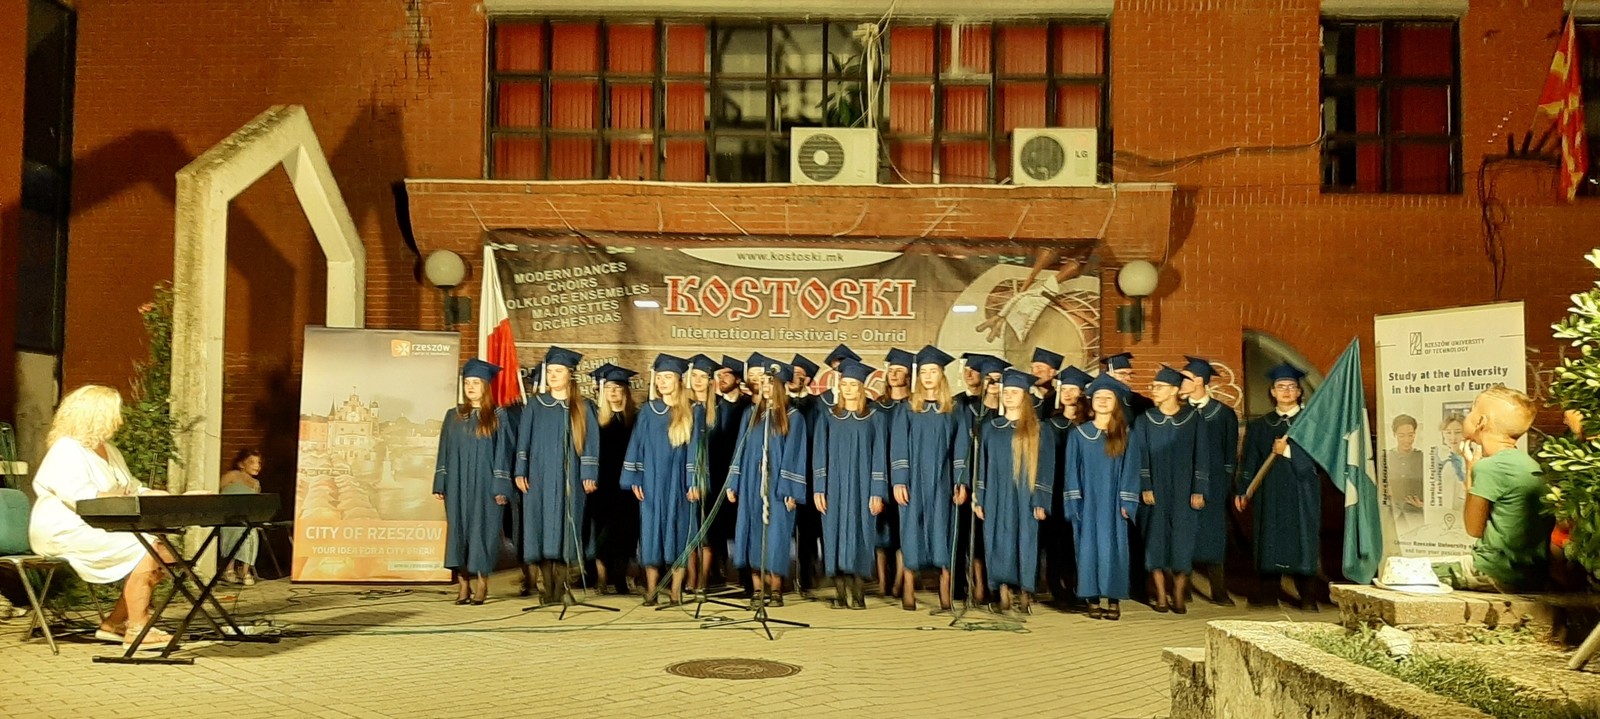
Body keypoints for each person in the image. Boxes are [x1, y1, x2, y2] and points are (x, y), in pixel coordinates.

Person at [30, 385, 175, 647]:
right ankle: (137, 628)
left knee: (165, 552)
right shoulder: (67, 448)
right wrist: (113, 497)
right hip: (65, 528)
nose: (119, 421)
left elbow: (131, 487)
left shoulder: (110, 451)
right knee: (148, 547)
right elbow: (77, 495)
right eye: (114, 414)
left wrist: (159, 495)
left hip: (98, 525)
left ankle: (115, 623)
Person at [1427, 386, 1553, 592]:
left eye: (1471, 411)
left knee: (1401, 569)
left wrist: (1471, 471)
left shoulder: (1490, 467)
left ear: (1481, 422)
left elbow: (1473, 528)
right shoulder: (1527, 463)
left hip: (1493, 571)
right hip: (1530, 574)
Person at [514, 346, 601, 606]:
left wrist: (588, 472)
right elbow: (523, 440)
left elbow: (591, 443)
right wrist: (520, 470)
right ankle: (547, 585)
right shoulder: (536, 405)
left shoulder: (582, 407)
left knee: (566, 528)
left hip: (570, 477)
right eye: (550, 371)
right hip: (538, 475)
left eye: (558, 371)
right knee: (540, 528)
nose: (552, 375)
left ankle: (562, 586)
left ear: (569, 374)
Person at [1235, 363, 1322, 611]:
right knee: (1269, 540)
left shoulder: (1309, 425)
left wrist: (1289, 452)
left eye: (1291, 387)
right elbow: (1250, 460)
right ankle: (1268, 595)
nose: (1286, 391)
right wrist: (1243, 489)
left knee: (1302, 540)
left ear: (1299, 392)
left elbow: (1319, 461)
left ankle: (1307, 598)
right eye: (1280, 387)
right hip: (1270, 492)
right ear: (1272, 392)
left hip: (1301, 491)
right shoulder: (1262, 425)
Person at [890, 346, 971, 611]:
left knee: (943, 531)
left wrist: (961, 481)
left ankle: (945, 591)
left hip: (943, 480)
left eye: (932, 371)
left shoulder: (955, 409)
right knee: (911, 530)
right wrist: (899, 480)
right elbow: (899, 446)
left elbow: (961, 447)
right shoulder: (907, 409)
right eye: (923, 371)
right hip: (913, 479)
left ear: (941, 375)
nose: (927, 376)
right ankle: (908, 589)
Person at [622, 354, 706, 607]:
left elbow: (697, 449)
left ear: (679, 380)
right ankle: (651, 590)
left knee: (678, 533)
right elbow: (636, 444)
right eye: (659, 378)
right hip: (651, 481)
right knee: (650, 534)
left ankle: (676, 591)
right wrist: (635, 477)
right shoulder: (648, 411)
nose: (662, 382)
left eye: (667, 377)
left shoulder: (693, 410)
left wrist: (694, 482)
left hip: (679, 483)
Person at [726, 360, 809, 607]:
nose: (765, 387)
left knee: (775, 536)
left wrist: (791, 490)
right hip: (751, 484)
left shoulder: (794, 418)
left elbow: (796, 455)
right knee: (752, 533)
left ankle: (776, 589)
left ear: (780, 387)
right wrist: (733, 482)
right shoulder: (750, 415)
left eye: (770, 383)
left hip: (778, 487)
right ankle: (757, 589)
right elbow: (739, 449)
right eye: (762, 383)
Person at [973, 368, 1056, 614]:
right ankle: (1002, 591)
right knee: (997, 539)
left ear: (1025, 397)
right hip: (996, 494)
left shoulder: (1039, 429)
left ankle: (1025, 592)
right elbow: (982, 464)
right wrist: (980, 498)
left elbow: (1046, 467)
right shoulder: (991, 427)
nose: (1008, 396)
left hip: (1025, 494)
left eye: (1014, 392)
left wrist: (1041, 499)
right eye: (1006, 391)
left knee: (1025, 540)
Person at [433, 359, 513, 605]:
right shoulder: (454, 415)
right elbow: (444, 450)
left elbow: (504, 452)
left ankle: (482, 584)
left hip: (485, 485)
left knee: (482, 531)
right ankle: (463, 584)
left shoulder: (497, 416)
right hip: (457, 484)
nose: (470, 387)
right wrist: (440, 482)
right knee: (458, 532)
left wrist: (500, 486)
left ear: (485, 386)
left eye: (475, 383)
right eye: (467, 383)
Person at [1063, 375, 1142, 620]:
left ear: (1116, 403)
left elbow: (1131, 470)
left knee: (1114, 549)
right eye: (1098, 397)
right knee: (1087, 549)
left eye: (1108, 397)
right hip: (1087, 503)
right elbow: (1071, 470)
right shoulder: (1079, 434)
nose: (1103, 401)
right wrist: (1074, 501)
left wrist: (1127, 501)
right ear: (1091, 402)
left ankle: (1113, 599)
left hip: (1114, 504)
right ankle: (1092, 598)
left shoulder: (1126, 434)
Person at [812, 359, 888, 609]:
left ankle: (858, 592)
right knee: (833, 535)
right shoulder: (829, 418)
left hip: (863, 486)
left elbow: (879, 456)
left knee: (861, 534)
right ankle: (840, 592)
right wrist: (819, 488)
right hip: (834, 486)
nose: (848, 389)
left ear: (862, 388)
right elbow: (819, 454)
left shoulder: (874, 419)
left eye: (853, 385)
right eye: (844, 384)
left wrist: (877, 492)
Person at [1135, 365, 1211, 614]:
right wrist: (1146, 485)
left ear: (1174, 390)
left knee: (1182, 542)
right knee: (1154, 541)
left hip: (1184, 489)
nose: (1154, 390)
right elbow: (1140, 455)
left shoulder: (1193, 420)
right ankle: (1160, 595)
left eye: (1159, 387)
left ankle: (1178, 593)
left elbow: (1202, 455)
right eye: (1153, 386)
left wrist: (1199, 489)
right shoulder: (1145, 420)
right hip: (1155, 488)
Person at [1181, 355, 1239, 606]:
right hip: (1183, 484)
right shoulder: (1178, 412)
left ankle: (1218, 590)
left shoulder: (1223, 414)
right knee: (1183, 535)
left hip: (1214, 485)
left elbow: (1229, 454)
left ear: (1199, 381)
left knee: (1214, 537)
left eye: (1186, 378)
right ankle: (1183, 589)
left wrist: (1224, 485)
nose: (1181, 382)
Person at [1042, 365, 1092, 606]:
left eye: (1074, 389)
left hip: (1084, 489)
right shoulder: (1051, 424)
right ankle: (1058, 589)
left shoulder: (1090, 425)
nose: (1068, 394)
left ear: (1082, 393)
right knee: (1057, 542)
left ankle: (1080, 587)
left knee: (1078, 542)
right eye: (1065, 389)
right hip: (1055, 488)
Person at [589, 363, 639, 595]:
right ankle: (601, 578)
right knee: (602, 531)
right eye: (609, 388)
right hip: (602, 485)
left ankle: (620, 578)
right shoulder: (596, 421)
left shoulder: (635, 420)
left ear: (626, 392)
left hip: (627, 486)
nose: (613, 392)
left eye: (618, 388)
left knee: (625, 533)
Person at [874, 347, 914, 599]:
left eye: (900, 370)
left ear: (908, 375)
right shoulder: (878, 405)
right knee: (880, 530)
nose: (894, 374)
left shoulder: (915, 405)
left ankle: (900, 580)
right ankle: (882, 581)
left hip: (906, 474)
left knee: (903, 530)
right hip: (880, 471)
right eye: (891, 370)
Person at [788, 353, 825, 599]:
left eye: (799, 375)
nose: (793, 378)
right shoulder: (781, 404)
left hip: (810, 473)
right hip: (786, 474)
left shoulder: (817, 405)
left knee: (809, 530)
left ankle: (808, 577)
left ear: (808, 380)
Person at [218, 448, 264, 586]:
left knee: (251, 533)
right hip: (228, 516)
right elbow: (217, 492)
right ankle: (229, 569)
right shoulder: (232, 476)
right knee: (234, 533)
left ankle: (245, 570)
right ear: (241, 464)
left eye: (259, 463)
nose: (256, 466)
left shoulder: (255, 484)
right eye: (252, 462)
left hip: (245, 518)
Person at [1386, 414, 1425, 528]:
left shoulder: (1423, 458)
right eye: (1401, 435)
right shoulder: (1386, 458)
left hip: (1416, 515)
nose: (1407, 440)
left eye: (1410, 435)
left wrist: (1424, 504)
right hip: (1391, 515)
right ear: (1394, 435)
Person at [1433, 414, 1469, 514]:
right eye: (1448, 433)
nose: (1453, 437)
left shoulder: (1472, 458)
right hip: (1441, 511)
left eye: (1458, 432)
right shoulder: (1438, 457)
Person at [1029, 347, 1064, 419]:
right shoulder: (1026, 395)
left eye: (1039, 368)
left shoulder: (1061, 398)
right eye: (1032, 368)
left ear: (1052, 372)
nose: (1033, 372)